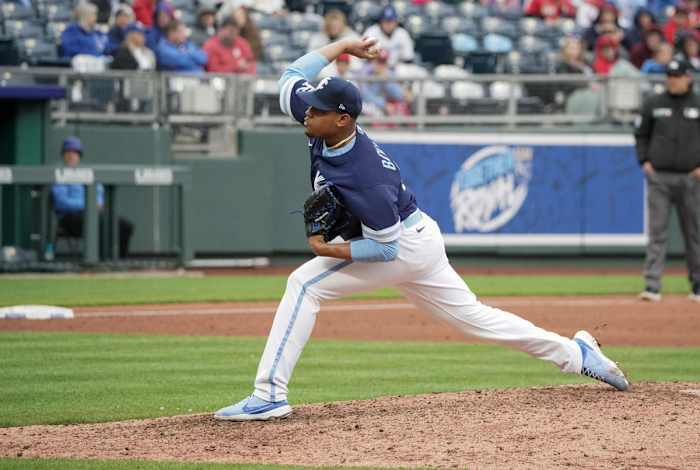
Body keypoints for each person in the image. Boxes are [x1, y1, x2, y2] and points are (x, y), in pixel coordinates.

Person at [212, 37, 630, 421]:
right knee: (475, 319)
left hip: (402, 246)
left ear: (342, 119)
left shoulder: (365, 177)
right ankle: (575, 354)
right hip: (421, 238)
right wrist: (344, 46)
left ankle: (269, 395)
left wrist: (328, 250)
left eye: (319, 109)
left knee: (304, 285)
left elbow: (387, 252)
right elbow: (291, 77)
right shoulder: (322, 123)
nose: (309, 110)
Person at [634, 59, 700, 303]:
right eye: (670, 75)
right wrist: (645, 161)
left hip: (691, 177)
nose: (672, 79)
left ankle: (698, 285)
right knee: (657, 232)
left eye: (677, 75)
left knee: (694, 233)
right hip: (660, 176)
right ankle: (652, 285)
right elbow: (641, 134)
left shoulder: (697, 102)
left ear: (688, 77)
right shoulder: (654, 102)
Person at [51, 137, 134, 259]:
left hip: (92, 213)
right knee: (99, 223)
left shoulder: (86, 171)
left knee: (125, 225)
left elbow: (98, 194)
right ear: (63, 154)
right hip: (70, 218)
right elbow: (61, 203)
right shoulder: (58, 172)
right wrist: (88, 204)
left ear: (79, 155)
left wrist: (95, 204)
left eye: (75, 152)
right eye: (68, 152)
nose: (71, 155)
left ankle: (119, 261)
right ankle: (99, 261)